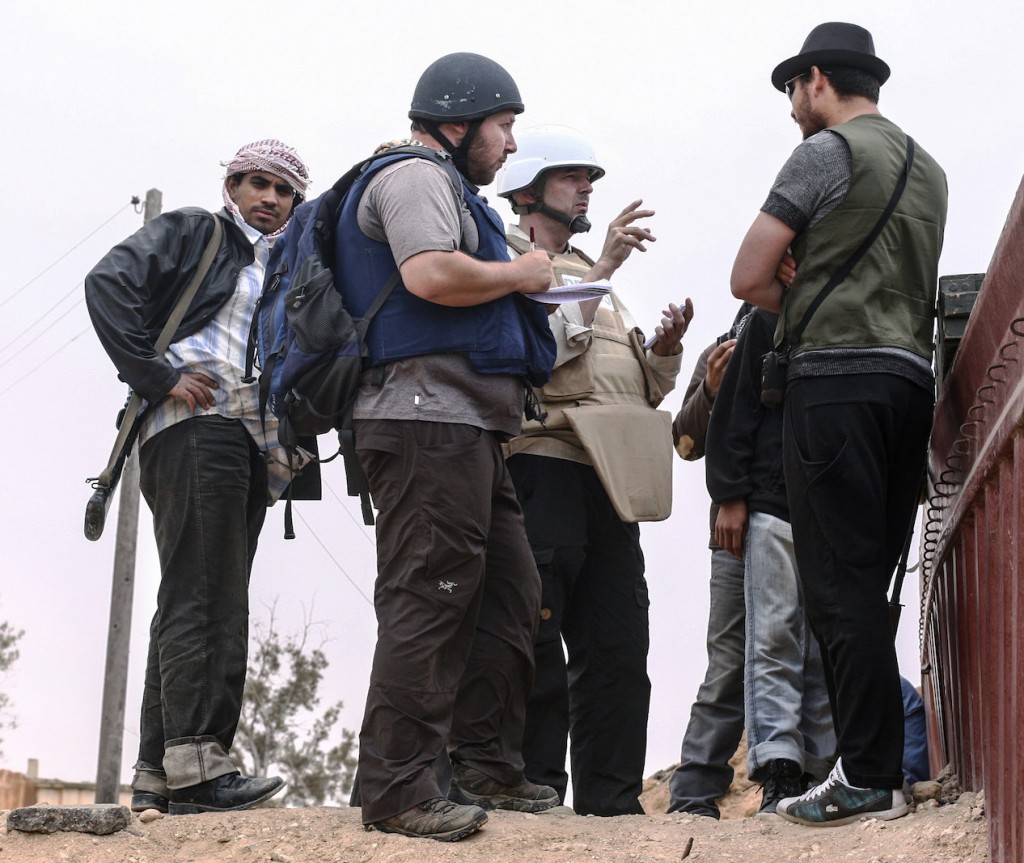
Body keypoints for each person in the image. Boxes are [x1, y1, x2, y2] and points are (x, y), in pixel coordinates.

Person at [730, 22, 947, 826]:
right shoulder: (931, 170)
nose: (794, 107)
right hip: (909, 385)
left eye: (795, 91)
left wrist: (804, 288)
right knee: (875, 579)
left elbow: (747, 275)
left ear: (815, 80)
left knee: (835, 581)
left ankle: (866, 773)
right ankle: (879, 766)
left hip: (833, 384)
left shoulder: (824, 153)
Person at [340, 53, 561, 843]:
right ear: (458, 121)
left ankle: (483, 765)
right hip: (421, 417)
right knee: (428, 591)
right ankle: (398, 788)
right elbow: (430, 274)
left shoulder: (452, 185)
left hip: (466, 422)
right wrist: (526, 273)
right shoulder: (412, 178)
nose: (508, 145)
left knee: (509, 589)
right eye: (503, 126)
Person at [84, 140, 312, 814]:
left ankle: (160, 766)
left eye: (284, 191)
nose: (270, 199)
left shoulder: (286, 265)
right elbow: (107, 284)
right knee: (210, 594)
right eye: (258, 184)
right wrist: (158, 377)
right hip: (196, 424)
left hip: (254, 437)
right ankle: (199, 763)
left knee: (198, 588)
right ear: (233, 187)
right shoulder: (196, 230)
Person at [495, 125, 691, 816]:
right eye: (572, 175)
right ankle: (537, 788)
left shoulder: (594, 277)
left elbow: (634, 383)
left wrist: (662, 354)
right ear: (527, 192)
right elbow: (536, 358)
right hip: (542, 462)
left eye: (590, 178)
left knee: (616, 643)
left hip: (611, 473)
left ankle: (613, 801)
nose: (587, 188)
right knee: (537, 634)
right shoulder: (505, 256)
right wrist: (602, 266)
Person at [705, 308, 835, 814]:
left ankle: (819, 773)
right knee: (773, 636)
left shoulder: (851, 312)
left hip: (831, 506)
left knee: (826, 646)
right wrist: (732, 496)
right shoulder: (765, 320)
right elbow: (733, 413)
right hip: (772, 500)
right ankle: (779, 774)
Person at [666, 314, 744, 818]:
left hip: (805, 523)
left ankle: (810, 778)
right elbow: (684, 444)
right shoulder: (722, 349)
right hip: (733, 535)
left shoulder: (817, 331)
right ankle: (693, 795)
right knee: (729, 662)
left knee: (815, 656)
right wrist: (712, 389)